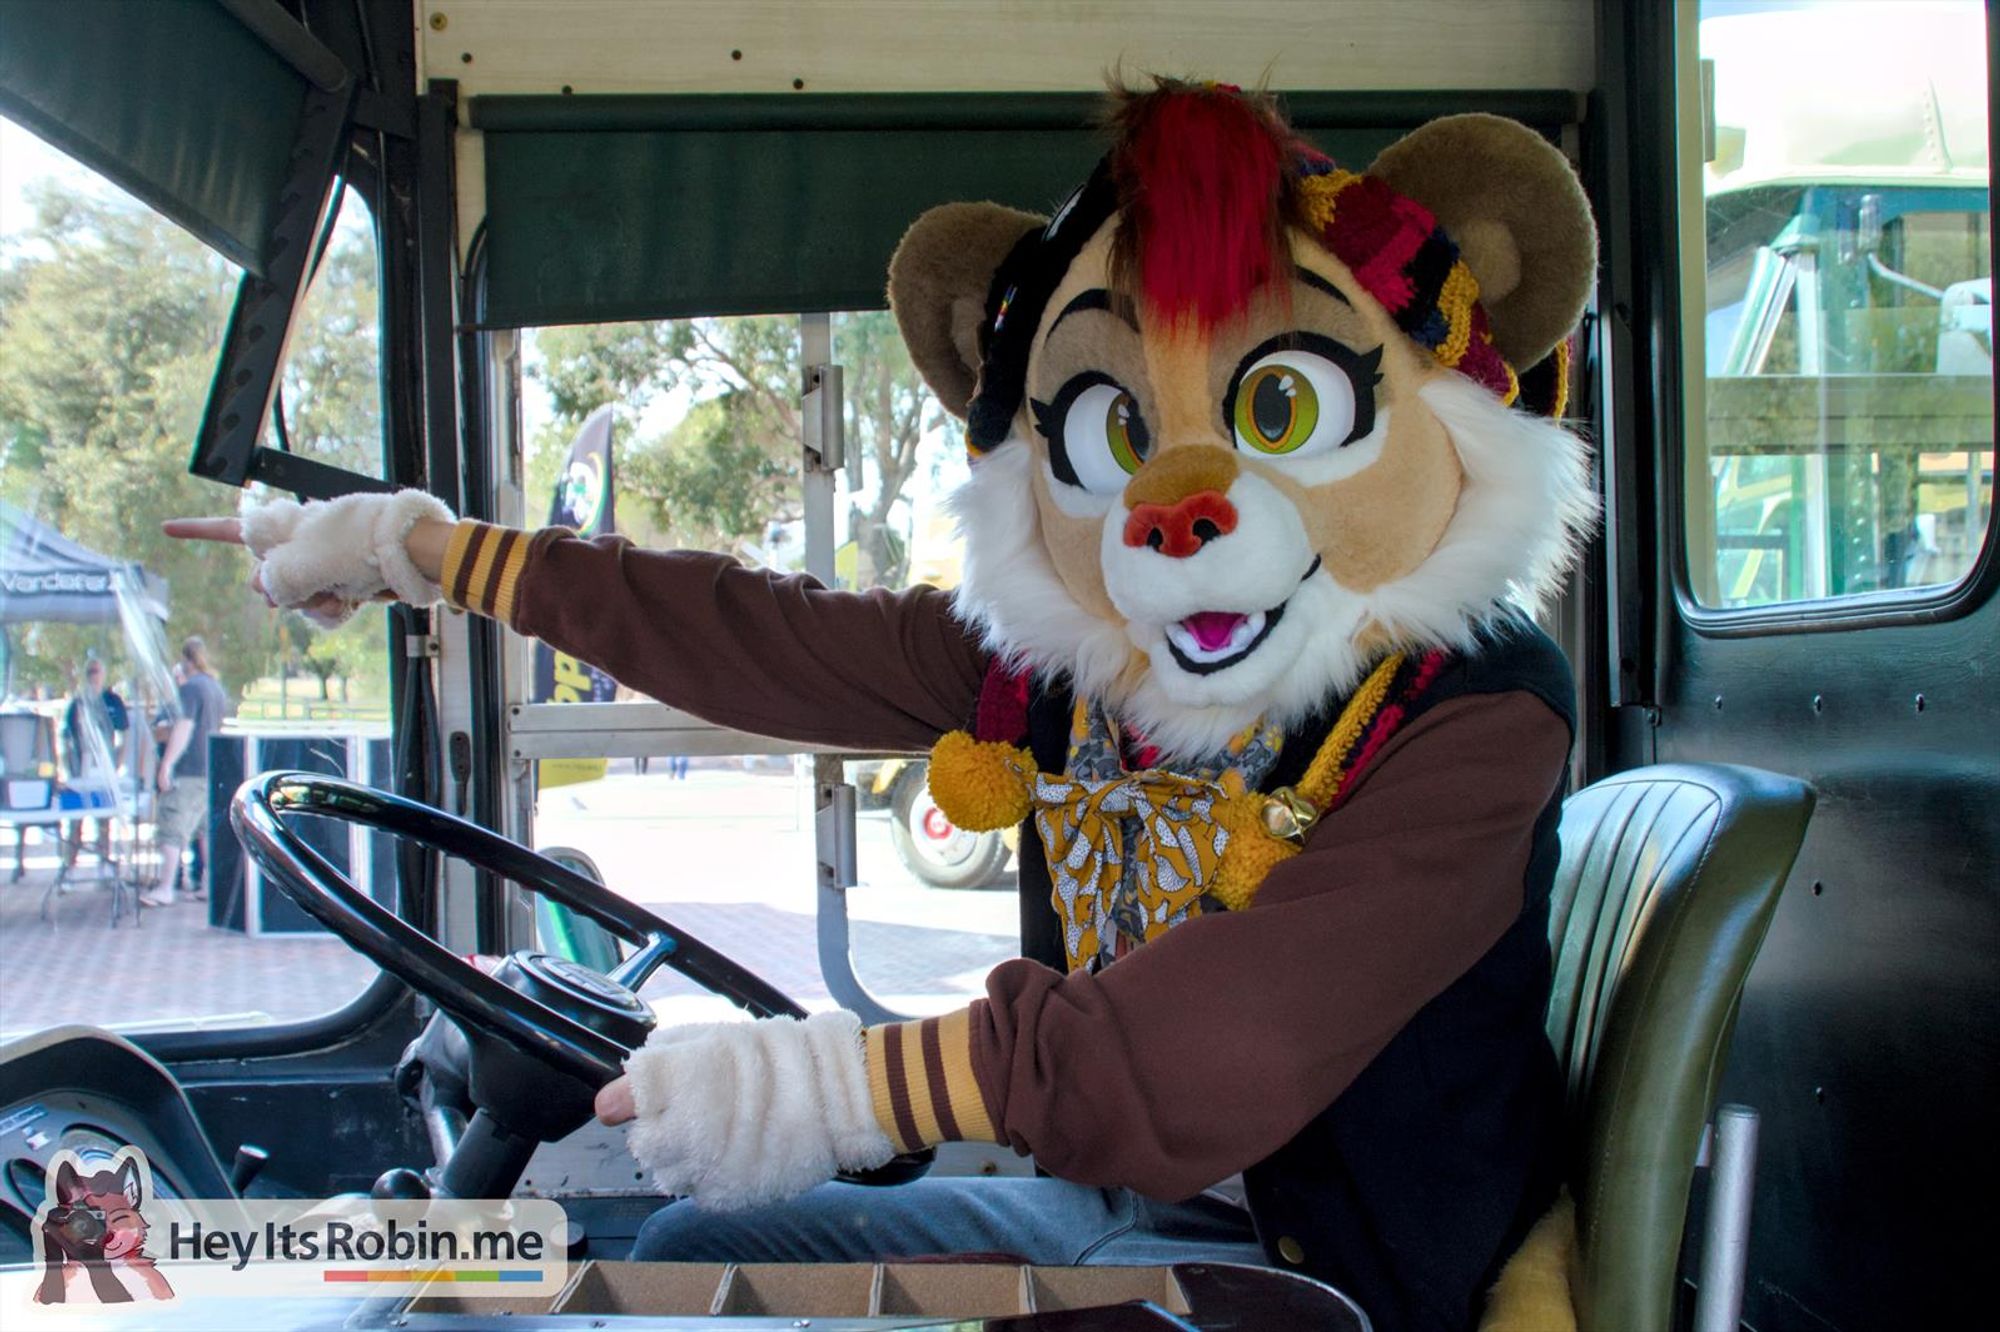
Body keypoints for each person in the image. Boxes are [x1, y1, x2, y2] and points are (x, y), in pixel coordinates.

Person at [171, 84, 1598, 1332]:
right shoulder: (1077, 671)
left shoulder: (1467, 707)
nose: (1174, 509)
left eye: (1275, 413)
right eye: (1115, 435)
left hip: (1315, 1285)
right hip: (1115, 1218)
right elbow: (774, 637)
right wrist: (432, 555)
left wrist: (848, 1088)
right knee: (695, 1254)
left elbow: (1227, 1047)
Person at [141, 638, 228, 909]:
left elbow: (184, 726)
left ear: (187, 660)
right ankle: (209, 885)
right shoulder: (215, 688)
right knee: (204, 830)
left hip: (188, 768)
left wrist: (166, 763)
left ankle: (166, 887)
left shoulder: (190, 689)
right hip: (210, 765)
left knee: (172, 827)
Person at [59, 657, 129, 878]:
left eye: (97, 671)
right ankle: (69, 868)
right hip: (81, 768)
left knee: (104, 819)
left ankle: (104, 864)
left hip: (104, 767)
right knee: (75, 819)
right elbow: (66, 738)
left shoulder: (113, 700)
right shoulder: (78, 703)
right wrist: (69, 768)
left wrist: (118, 762)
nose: (94, 676)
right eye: (90, 672)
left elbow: (124, 733)